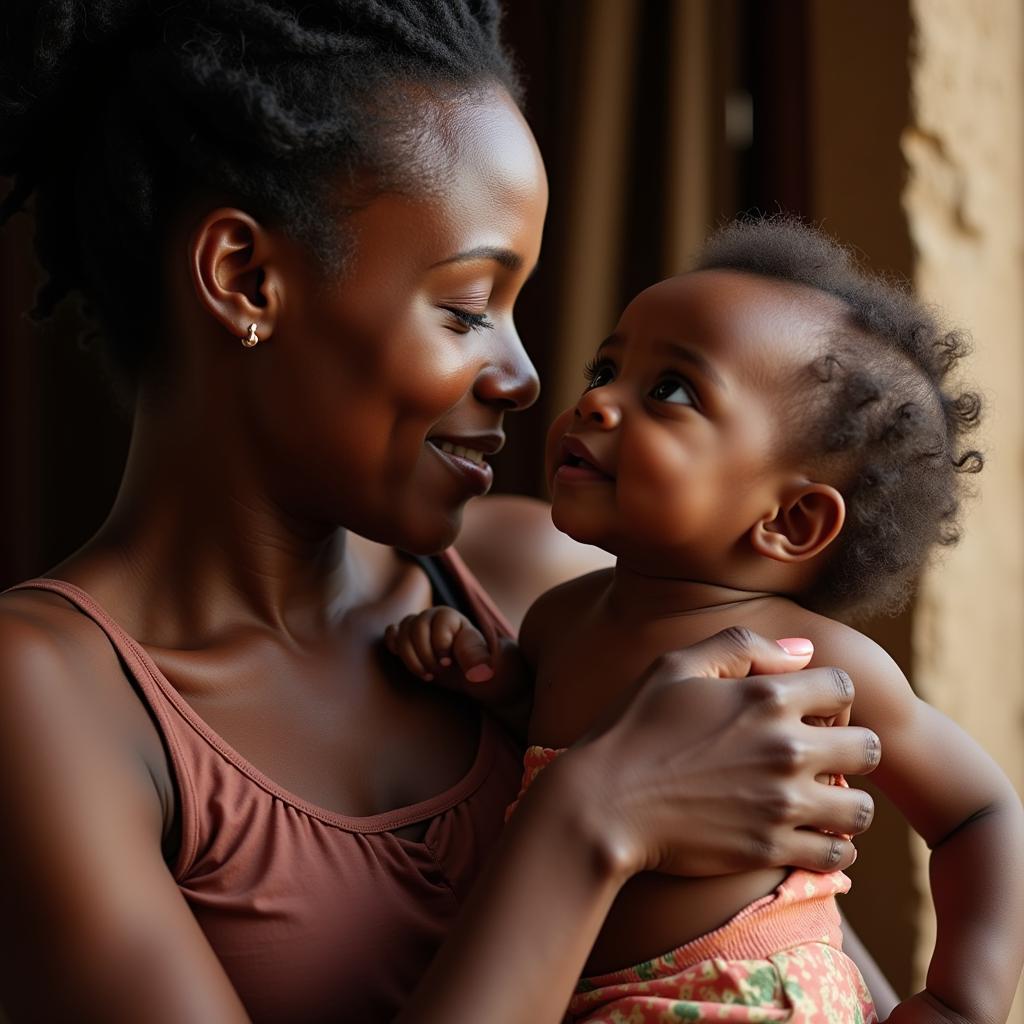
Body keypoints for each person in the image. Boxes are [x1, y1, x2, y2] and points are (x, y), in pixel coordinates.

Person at [0, 5, 887, 1023]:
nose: (522, 375)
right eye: (467, 305)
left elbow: (811, 978)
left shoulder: (555, 590)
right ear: (246, 277)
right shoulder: (49, 700)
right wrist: (586, 819)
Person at [388, 219, 1024, 1023]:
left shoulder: (814, 661)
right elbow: (558, 737)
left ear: (789, 520)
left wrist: (961, 1000)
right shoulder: (561, 617)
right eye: (606, 368)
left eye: (670, 392)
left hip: (757, 1000)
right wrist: (487, 677)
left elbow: (982, 812)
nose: (597, 402)